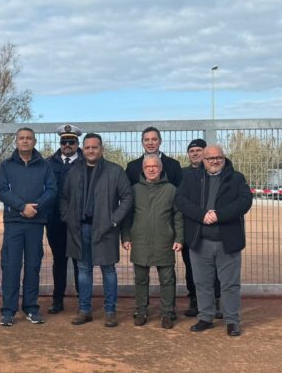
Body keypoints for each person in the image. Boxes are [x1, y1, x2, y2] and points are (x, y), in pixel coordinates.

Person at [175, 144, 253, 337]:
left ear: (224, 158)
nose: (215, 161)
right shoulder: (191, 178)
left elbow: (244, 202)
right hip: (199, 241)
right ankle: (205, 317)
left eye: (218, 157)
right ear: (203, 159)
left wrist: (219, 215)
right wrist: (202, 215)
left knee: (229, 284)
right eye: (210, 158)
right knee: (202, 282)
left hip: (228, 242)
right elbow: (181, 201)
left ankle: (232, 320)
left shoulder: (236, 178)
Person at [62, 133, 133, 327]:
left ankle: (110, 311)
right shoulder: (74, 172)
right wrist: (67, 217)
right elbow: (64, 197)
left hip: (105, 228)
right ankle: (84, 310)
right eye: (87, 147)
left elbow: (127, 197)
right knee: (83, 270)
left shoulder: (115, 171)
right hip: (80, 228)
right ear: (82, 149)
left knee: (108, 270)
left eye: (94, 147)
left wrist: (114, 220)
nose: (91, 151)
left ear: (102, 149)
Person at [0, 127, 57, 327]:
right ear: (16, 141)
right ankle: (8, 310)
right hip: (14, 222)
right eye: (21, 138)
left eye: (28, 138)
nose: (25, 141)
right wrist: (21, 206)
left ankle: (31, 308)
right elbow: (2, 190)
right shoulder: (6, 165)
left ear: (34, 141)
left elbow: (51, 189)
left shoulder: (45, 166)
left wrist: (35, 208)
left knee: (33, 266)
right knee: (11, 266)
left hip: (36, 223)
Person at [122, 154, 184, 329]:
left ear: (160, 168)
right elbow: (127, 216)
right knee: (140, 279)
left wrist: (179, 238)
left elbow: (178, 216)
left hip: (164, 241)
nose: (151, 169)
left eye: (155, 166)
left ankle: (167, 313)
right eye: (147, 166)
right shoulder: (134, 189)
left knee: (167, 279)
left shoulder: (171, 189)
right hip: (140, 241)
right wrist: (126, 236)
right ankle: (141, 310)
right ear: (143, 169)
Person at [45, 125, 82, 313]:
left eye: (71, 141)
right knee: (59, 260)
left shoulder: (85, 162)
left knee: (79, 261)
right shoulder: (49, 163)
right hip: (55, 220)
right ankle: (57, 300)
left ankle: (83, 302)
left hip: (79, 220)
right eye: (64, 142)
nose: (67, 145)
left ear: (77, 143)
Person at [182, 138, 221, 318]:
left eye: (199, 150)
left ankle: (216, 301)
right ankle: (195, 299)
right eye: (192, 151)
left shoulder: (219, 173)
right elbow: (180, 200)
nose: (195, 153)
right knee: (192, 267)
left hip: (215, 230)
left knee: (216, 268)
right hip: (190, 228)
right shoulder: (184, 174)